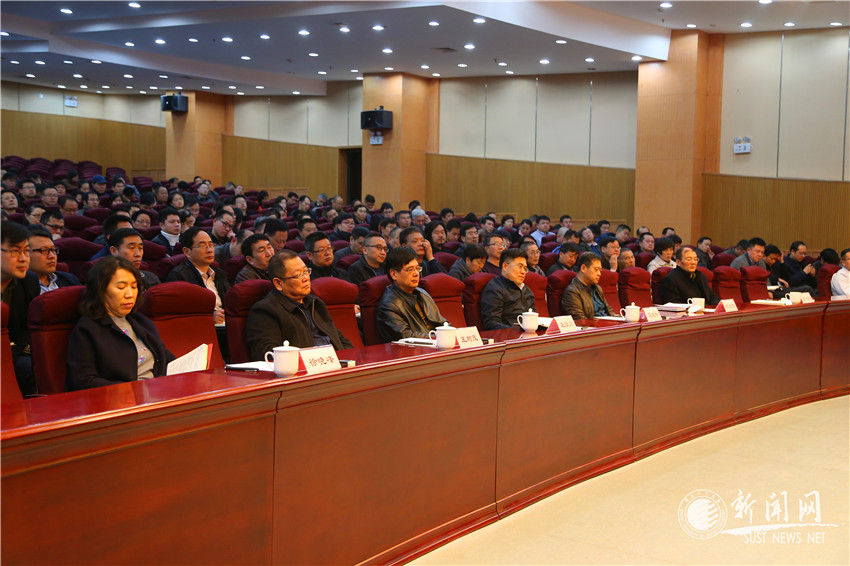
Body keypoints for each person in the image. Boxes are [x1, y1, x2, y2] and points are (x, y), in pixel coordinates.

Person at [66, 256, 174, 391]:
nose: (130, 294)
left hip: (160, 392)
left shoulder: (142, 322)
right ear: (101, 290)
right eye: (121, 287)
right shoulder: (88, 329)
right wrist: (131, 390)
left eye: (134, 286)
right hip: (121, 398)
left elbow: (167, 360)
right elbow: (84, 380)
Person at [246, 250, 353, 359]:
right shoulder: (265, 311)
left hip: (335, 363)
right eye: (298, 275)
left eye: (306, 271)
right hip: (305, 366)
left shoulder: (315, 302)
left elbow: (339, 338)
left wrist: (350, 359)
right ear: (278, 283)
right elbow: (267, 353)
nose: (306, 278)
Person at [376, 246, 447, 342]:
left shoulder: (422, 293)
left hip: (436, 344)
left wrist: (451, 333)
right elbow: (406, 336)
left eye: (417, 268)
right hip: (415, 349)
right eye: (410, 269)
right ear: (394, 274)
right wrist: (439, 338)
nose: (416, 274)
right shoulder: (389, 305)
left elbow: (443, 323)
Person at [1, 221, 40, 395]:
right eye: (15, 251)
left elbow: (24, 329)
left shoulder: (29, 281)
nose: (23, 258)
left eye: (26, 251)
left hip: (14, 352)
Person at [166, 227, 230, 324]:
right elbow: (177, 313)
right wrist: (208, 318)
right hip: (200, 327)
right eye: (203, 246)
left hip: (225, 325)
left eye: (211, 245)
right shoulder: (179, 276)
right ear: (187, 251)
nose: (210, 250)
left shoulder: (219, 273)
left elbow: (230, 303)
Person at [480, 248, 535, 330]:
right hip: (508, 335)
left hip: (527, 334)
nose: (523, 272)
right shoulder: (495, 288)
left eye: (525, 268)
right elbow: (491, 323)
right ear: (505, 266)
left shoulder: (527, 290)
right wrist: (516, 331)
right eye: (520, 266)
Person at [561, 253, 615, 320]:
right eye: (596, 269)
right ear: (583, 268)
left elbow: (609, 310)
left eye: (600, 270)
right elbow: (580, 320)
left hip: (608, 322)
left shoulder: (598, 288)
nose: (599, 274)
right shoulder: (572, 292)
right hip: (594, 325)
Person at [28, 227, 80, 293]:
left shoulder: (69, 279)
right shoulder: (18, 287)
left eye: (53, 250)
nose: (52, 256)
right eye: (44, 250)